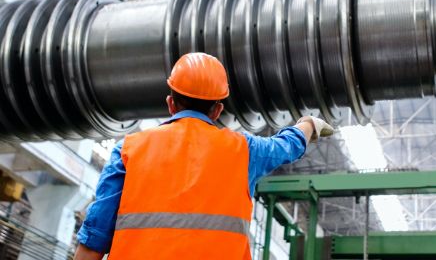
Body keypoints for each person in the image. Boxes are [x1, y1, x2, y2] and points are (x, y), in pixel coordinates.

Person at [73, 53, 334, 260]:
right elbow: (286, 145)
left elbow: (93, 240)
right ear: (218, 110)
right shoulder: (245, 150)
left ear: (170, 103)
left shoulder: (129, 149)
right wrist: (308, 124)